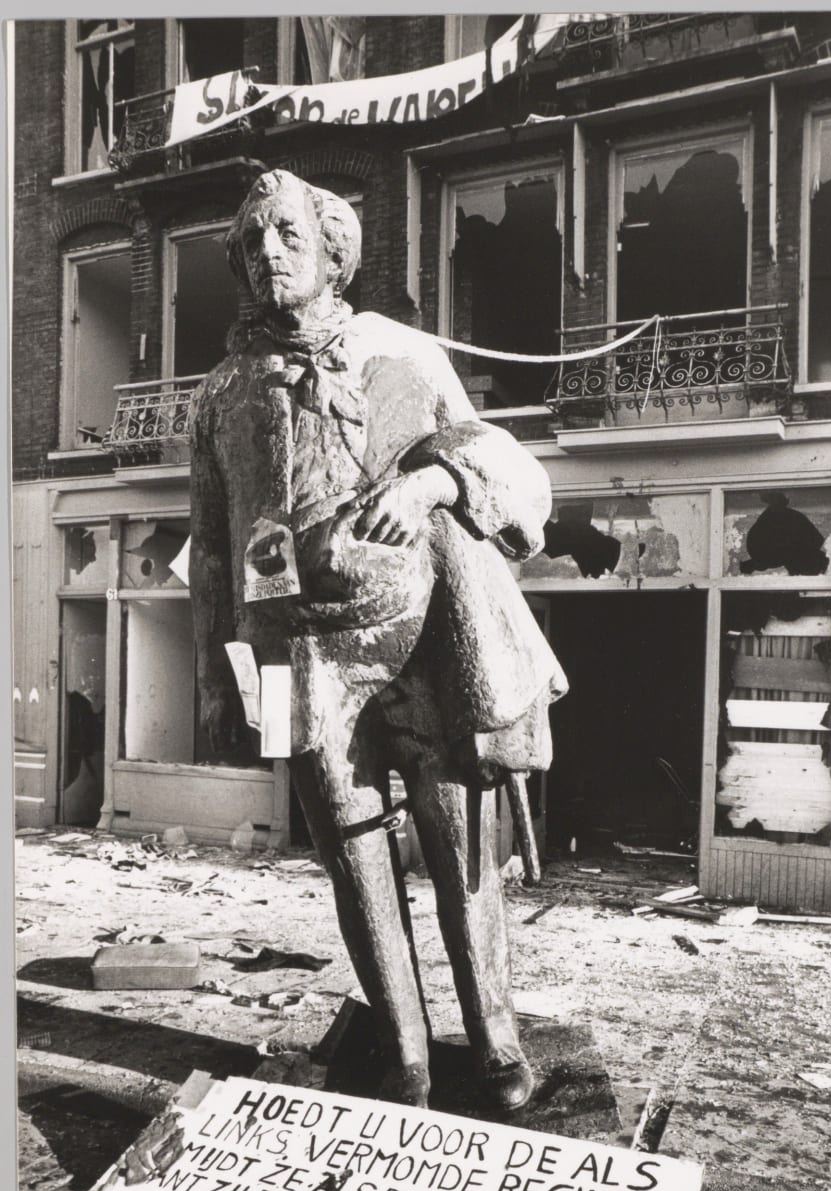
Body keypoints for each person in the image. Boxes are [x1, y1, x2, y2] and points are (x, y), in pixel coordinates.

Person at [189, 170, 566, 1111]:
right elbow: (212, 553)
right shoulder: (222, 393)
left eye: (285, 234)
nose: (267, 252)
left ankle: (495, 1041)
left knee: (458, 847)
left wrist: (431, 486)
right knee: (352, 860)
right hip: (299, 657)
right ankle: (404, 1047)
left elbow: (507, 466)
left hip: (423, 636)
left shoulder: (401, 352)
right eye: (251, 242)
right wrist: (220, 680)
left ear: (331, 248)